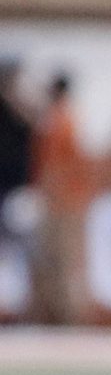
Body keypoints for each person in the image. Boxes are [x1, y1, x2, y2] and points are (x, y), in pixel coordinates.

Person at [27, 72, 84, 325]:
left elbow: (59, 167)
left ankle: (66, 318)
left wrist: (49, 193)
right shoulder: (61, 118)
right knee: (53, 260)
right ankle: (56, 316)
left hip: (61, 202)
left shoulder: (61, 121)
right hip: (60, 200)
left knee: (60, 260)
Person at [0, 58, 31, 319]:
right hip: (7, 190)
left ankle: (16, 310)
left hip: (16, 192)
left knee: (18, 252)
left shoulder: (20, 111)